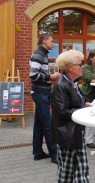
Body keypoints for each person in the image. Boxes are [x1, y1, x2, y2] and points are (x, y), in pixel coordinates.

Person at [51, 50, 91, 183]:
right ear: (70, 67)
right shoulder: (61, 85)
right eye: (80, 64)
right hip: (68, 135)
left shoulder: (72, 82)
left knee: (82, 171)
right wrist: (82, 110)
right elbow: (62, 112)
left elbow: (73, 103)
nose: (83, 67)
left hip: (76, 132)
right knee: (66, 174)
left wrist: (84, 105)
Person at [29, 34, 60, 163]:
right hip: (41, 93)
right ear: (45, 41)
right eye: (51, 41)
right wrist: (50, 77)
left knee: (39, 124)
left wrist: (49, 75)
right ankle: (54, 155)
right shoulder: (38, 55)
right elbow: (33, 75)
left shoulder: (42, 54)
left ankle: (37, 152)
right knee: (48, 125)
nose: (53, 43)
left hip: (41, 92)